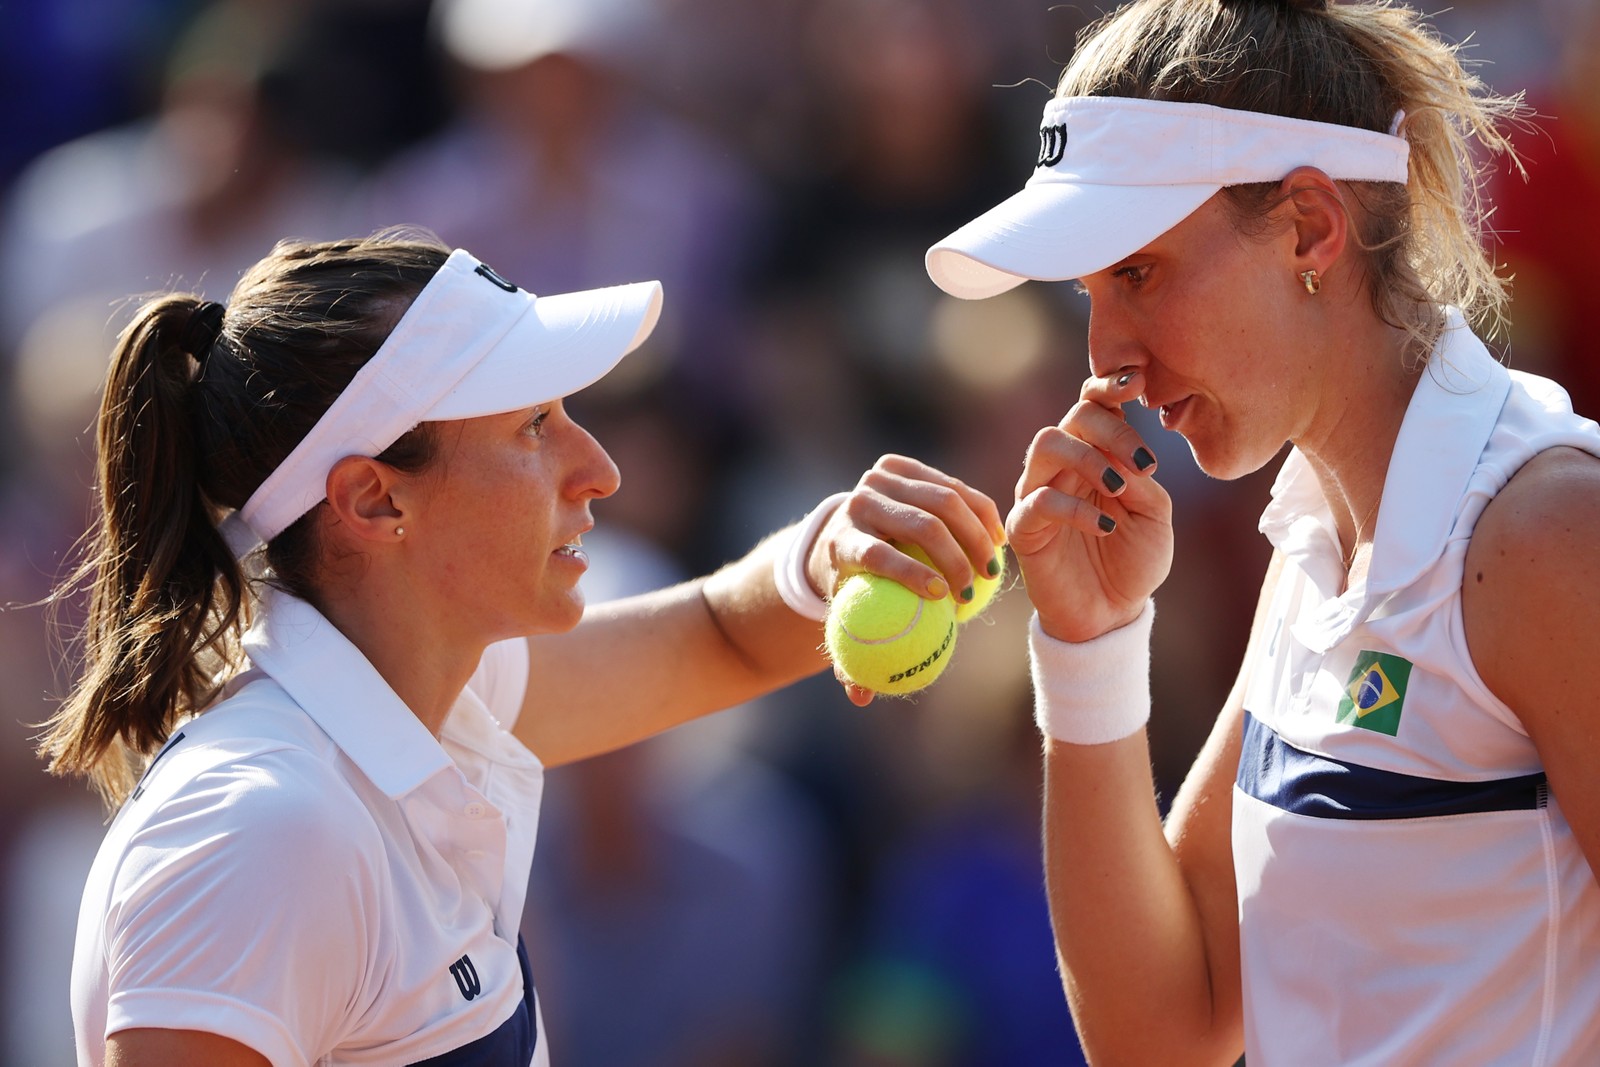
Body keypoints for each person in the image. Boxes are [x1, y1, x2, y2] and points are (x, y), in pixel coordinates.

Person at [40, 229, 1006, 1066]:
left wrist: (832, 550)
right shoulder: (265, 828)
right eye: (535, 424)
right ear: (376, 499)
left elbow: (722, 636)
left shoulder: (440, 695)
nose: (600, 470)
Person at [923, 0, 1600, 1063]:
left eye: (1138, 273)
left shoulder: (1544, 529)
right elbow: (1162, 1031)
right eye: (1091, 294)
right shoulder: (1320, 536)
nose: (1108, 359)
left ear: (1308, 228)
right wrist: (1087, 643)